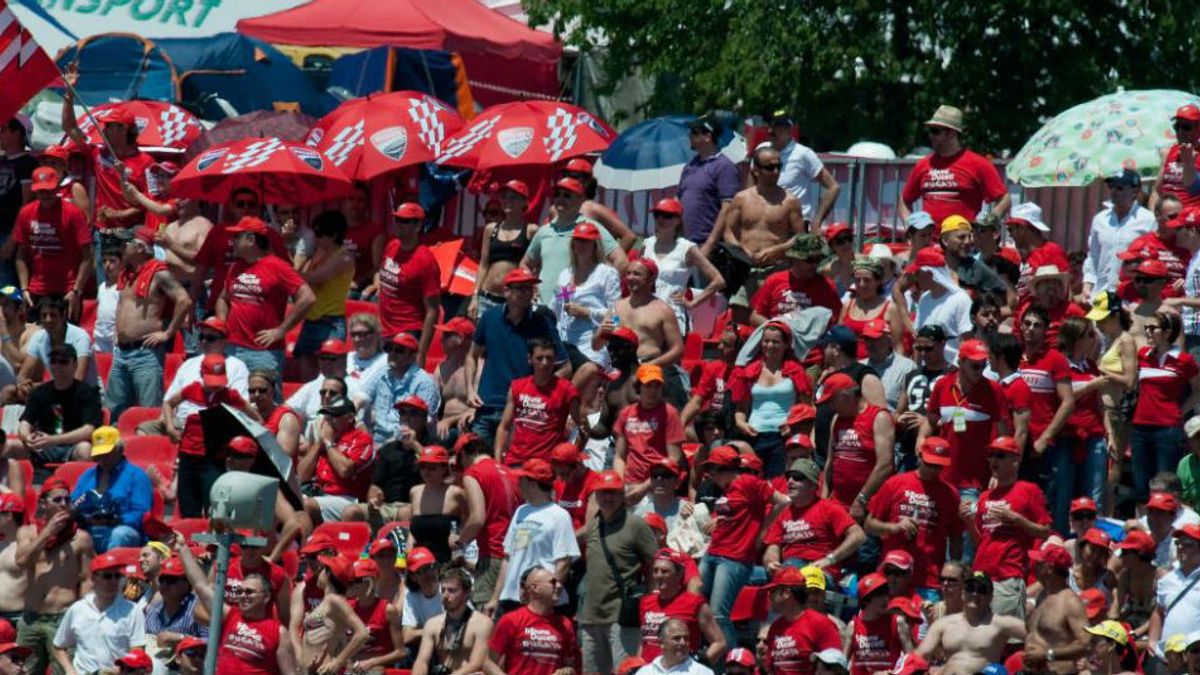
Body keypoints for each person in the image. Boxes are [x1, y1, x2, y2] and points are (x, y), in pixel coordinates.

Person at [466, 268, 570, 446]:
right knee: (477, 467)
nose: (527, 293)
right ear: (506, 291)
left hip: (521, 412)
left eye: (529, 288)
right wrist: (469, 389)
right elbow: (471, 356)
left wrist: (537, 393)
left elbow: (565, 368)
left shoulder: (541, 323)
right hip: (486, 406)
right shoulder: (490, 318)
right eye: (521, 288)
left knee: (512, 467)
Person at [700, 445, 790, 650]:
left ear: (725, 468)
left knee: (718, 614)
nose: (710, 475)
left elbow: (783, 501)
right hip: (713, 553)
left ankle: (732, 662)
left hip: (734, 558)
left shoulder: (749, 482)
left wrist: (763, 527)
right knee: (695, 603)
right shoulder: (727, 490)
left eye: (713, 470)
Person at [175, 540, 298, 674]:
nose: (243, 595)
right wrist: (182, 548)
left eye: (249, 592)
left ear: (266, 597)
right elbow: (200, 585)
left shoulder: (279, 633)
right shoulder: (230, 616)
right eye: (240, 591)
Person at [921, 340, 1010, 528]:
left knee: (969, 534)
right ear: (960, 362)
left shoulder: (993, 390)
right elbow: (931, 418)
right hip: (942, 476)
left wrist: (999, 470)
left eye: (983, 365)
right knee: (940, 531)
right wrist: (921, 442)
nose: (980, 370)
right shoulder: (942, 385)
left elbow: (1004, 436)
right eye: (975, 366)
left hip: (975, 479)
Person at [106, 227, 191, 419]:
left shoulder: (159, 272)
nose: (122, 247)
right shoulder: (127, 274)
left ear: (140, 248)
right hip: (121, 352)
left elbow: (184, 300)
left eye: (126, 243)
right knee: (113, 414)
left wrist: (168, 333)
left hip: (145, 353)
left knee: (148, 412)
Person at [216, 216, 316, 378]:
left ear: (250, 239)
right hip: (232, 348)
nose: (232, 241)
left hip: (263, 353)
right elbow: (223, 298)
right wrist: (222, 324)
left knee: (265, 400)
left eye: (236, 237)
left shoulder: (277, 266)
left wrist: (282, 330)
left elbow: (308, 297)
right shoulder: (235, 267)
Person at [579, 471, 658, 675]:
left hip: (621, 617)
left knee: (625, 672)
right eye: (603, 493)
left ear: (623, 495)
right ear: (595, 495)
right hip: (590, 617)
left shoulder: (636, 525)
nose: (608, 498)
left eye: (613, 493)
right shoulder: (594, 525)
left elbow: (656, 563)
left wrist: (649, 598)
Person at [965, 436, 1052, 619]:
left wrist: (1015, 518)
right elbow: (980, 542)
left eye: (1000, 455)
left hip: (1008, 577)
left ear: (1015, 460)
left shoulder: (1028, 490)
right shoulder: (985, 497)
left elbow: (1045, 531)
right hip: (980, 577)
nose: (993, 460)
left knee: (1005, 642)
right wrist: (968, 521)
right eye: (991, 455)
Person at [14, 476, 94, 675]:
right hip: (31, 618)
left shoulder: (80, 538)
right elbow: (22, 561)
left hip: (63, 617)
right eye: (57, 500)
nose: (63, 505)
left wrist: (83, 617)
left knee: (63, 671)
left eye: (67, 500)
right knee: (24, 671)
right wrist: (47, 533)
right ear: (43, 503)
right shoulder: (28, 532)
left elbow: (87, 579)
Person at [162, 353, 257, 517]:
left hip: (214, 459)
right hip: (188, 455)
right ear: (201, 375)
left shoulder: (230, 395)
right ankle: (190, 540)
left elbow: (255, 417)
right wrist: (170, 427)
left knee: (214, 505)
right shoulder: (191, 389)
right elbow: (168, 403)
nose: (215, 386)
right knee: (188, 504)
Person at [866, 437, 963, 596]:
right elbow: (869, 525)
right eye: (929, 463)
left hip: (928, 580)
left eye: (938, 466)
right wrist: (895, 527)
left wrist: (953, 574)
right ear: (919, 456)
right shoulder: (895, 483)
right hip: (891, 575)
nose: (933, 470)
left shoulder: (950, 494)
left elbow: (956, 538)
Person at [720, 146, 806, 316]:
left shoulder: (790, 201)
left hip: (776, 269)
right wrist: (742, 252)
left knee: (773, 317)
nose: (775, 172)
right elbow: (728, 232)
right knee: (739, 315)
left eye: (778, 167)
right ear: (756, 170)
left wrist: (777, 249)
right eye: (769, 167)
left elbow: (800, 237)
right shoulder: (741, 199)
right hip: (745, 270)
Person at [487, 459, 580, 615]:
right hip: (512, 597)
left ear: (533, 484)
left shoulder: (559, 516)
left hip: (541, 601)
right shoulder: (521, 511)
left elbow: (563, 562)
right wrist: (496, 597)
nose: (518, 484)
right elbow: (508, 558)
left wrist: (550, 597)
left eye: (521, 480)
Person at [899, 105, 1010, 232]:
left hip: (964, 244)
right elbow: (904, 199)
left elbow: (1004, 199)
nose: (930, 135)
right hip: (930, 246)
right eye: (929, 130)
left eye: (935, 131)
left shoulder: (978, 163)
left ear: (952, 132)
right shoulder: (923, 164)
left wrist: (983, 225)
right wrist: (910, 228)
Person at [1017, 305, 1077, 533]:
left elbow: (1068, 402)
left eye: (1037, 325)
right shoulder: (1014, 358)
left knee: (1047, 506)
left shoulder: (1056, 359)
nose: (1031, 329)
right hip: (1018, 444)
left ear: (1045, 330)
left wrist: (1045, 437)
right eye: (1027, 324)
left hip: (1046, 446)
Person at [523, 177, 627, 307]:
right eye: (558, 194)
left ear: (580, 200)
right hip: (543, 310)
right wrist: (530, 285)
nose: (560, 199)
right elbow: (525, 264)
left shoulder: (590, 227)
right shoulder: (544, 231)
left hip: (577, 314)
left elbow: (622, 262)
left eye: (567, 195)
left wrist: (593, 287)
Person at [1131, 311, 1200, 504]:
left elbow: (1197, 390)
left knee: (1165, 486)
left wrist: (1180, 411)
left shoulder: (1184, 359)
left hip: (1168, 428)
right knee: (1141, 486)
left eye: (1153, 328)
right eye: (1146, 328)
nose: (1148, 332)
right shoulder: (1143, 354)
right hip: (1140, 426)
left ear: (1168, 332)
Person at [729, 321, 813, 477]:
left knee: (778, 482)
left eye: (776, 342)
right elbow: (740, 410)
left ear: (786, 344)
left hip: (784, 437)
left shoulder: (796, 372)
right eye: (766, 341)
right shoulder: (750, 373)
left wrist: (792, 426)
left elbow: (807, 408)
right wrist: (742, 424)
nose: (770, 345)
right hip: (755, 436)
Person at [600, 258, 686, 406]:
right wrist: (600, 332)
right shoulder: (617, 308)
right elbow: (597, 344)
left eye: (637, 274)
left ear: (651, 278)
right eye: (628, 273)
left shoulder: (662, 310)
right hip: (623, 368)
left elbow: (678, 349)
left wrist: (652, 365)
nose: (631, 277)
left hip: (652, 366)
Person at [763, 457, 866, 576]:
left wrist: (830, 559)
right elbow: (773, 546)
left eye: (797, 477)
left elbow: (859, 536)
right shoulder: (783, 513)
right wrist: (771, 562)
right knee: (744, 574)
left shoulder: (828, 508)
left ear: (813, 486)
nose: (790, 481)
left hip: (819, 572)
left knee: (792, 568)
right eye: (789, 477)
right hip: (788, 568)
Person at [5, 343, 101, 466]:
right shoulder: (40, 392)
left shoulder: (87, 392)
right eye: (54, 361)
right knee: (9, 446)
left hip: (72, 446)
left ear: (75, 364)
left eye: (63, 361)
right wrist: (27, 438)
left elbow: (88, 430)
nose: (58, 366)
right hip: (41, 446)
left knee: (85, 450)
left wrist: (52, 440)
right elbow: (25, 423)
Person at [51, 552, 146, 675]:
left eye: (117, 576)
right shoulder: (78, 609)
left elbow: (137, 650)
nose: (113, 581)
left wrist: (122, 670)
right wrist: (70, 670)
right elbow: (58, 646)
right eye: (107, 576)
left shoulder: (132, 611)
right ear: (94, 578)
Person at [12, 166, 92, 312]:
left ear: (56, 189)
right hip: (36, 289)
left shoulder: (72, 213)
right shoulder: (26, 213)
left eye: (49, 190)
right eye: (41, 191)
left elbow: (87, 256)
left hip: (67, 289)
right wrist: (24, 288)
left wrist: (76, 290)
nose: (45, 195)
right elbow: (21, 254)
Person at [641, 197, 725, 333]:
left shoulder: (686, 248)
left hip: (673, 317)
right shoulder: (647, 244)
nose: (660, 219)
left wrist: (693, 303)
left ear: (678, 220)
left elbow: (718, 281)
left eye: (667, 216)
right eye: (657, 215)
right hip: (646, 314)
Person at [916, 571, 1026, 674]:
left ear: (991, 596)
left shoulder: (1001, 624)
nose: (975, 593)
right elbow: (920, 656)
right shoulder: (943, 624)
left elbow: (1037, 637)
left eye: (981, 590)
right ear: (963, 592)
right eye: (970, 588)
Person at [458, 433, 521, 610]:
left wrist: (459, 542)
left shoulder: (473, 474)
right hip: (515, 553)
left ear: (464, 455)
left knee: (485, 613)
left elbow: (477, 518)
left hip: (492, 552)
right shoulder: (510, 472)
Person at [821, 373, 895, 518]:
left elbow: (885, 465)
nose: (830, 407)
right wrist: (824, 497)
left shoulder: (879, 417)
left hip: (869, 505)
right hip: (838, 505)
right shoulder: (837, 419)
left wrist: (861, 499)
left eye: (832, 401)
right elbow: (830, 462)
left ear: (846, 397)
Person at [293, 210, 355, 381]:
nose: (316, 239)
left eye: (320, 235)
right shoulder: (319, 253)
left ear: (334, 235)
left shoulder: (344, 257)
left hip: (331, 322)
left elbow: (316, 278)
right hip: (311, 319)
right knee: (306, 379)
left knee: (330, 377)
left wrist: (290, 273)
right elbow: (304, 278)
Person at [377, 202, 440, 366]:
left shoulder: (425, 261)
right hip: (384, 330)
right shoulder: (392, 246)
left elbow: (432, 310)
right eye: (396, 220)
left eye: (404, 221)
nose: (398, 225)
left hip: (408, 332)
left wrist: (421, 352)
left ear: (417, 226)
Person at [70, 427, 151, 553]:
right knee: (75, 535)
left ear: (119, 450)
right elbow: (74, 503)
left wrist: (116, 519)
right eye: (99, 455)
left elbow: (141, 512)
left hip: (123, 527)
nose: (102, 459)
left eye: (107, 454)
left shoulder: (136, 475)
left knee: (119, 534)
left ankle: (110, 570)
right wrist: (84, 515)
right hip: (90, 527)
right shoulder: (87, 476)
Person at [486, 566, 580, 675]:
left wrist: (568, 671)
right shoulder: (511, 620)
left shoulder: (565, 624)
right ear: (535, 588)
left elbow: (571, 664)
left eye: (558, 582)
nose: (559, 586)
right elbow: (488, 662)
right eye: (552, 582)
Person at [638, 548, 724, 664]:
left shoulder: (694, 603)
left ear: (679, 574)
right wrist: (638, 665)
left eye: (664, 571)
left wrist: (699, 667)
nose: (658, 575)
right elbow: (645, 642)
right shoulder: (646, 602)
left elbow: (719, 642)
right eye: (655, 570)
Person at [614, 365, 686, 502]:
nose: (653, 390)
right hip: (629, 485)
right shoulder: (626, 413)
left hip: (658, 486)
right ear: (639, 387)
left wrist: (645, 487)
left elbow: (674, 458)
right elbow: (619, 456)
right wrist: (620, 485)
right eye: (648, 385)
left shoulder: (669, 413)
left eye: (657, 386)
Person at [299, 396, 376, 525]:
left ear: (350, 418)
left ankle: (308, 543)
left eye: (333, 416)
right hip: (320, 494)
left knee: (306, 505)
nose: (328, 421)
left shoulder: (361, 439)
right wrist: (319, 444)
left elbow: (345, 470)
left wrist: (329, 444)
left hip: (348, 499)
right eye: (327, 416)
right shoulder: (325, 439)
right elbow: (302, 476)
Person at [469, 180, 539, 320]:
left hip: (514, 301)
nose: (507, 201)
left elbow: (536, 266)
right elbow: (483, 265)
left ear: (524, 202)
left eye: (513, 197)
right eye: (504, 197)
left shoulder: (531, 230)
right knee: (483, 340)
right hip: (486, 297)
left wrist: (533, 293)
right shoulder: (491, 229)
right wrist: (475, 296)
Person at [1083, 169, 1158, 297]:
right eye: (1111, 187)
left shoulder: (1148, 220)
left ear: (1134, 191)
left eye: (1120, 188)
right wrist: (1088, 285)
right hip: (1101, 294)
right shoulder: (1100, 219)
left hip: (1131, 295)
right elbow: (1094, 256)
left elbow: (1153, 258)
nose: (1113, 192)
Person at [411, 565, 493, 675]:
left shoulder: (482, 624)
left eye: (451, 591)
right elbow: (422, 661)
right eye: (443, 590)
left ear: (466, 593)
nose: (445, 595)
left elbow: (477, 664)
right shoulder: (432, 624)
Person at [761, 566, 842, 675]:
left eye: (772, 591)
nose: (769, 596)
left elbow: (835, 668)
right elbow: (770, 668)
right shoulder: (775, 627)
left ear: (786, 593)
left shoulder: (822, 624)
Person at [1024, 544, 1091, 674]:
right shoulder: (1042, 596)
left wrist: (1048, 655)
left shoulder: (1070, 601)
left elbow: (1086, 644)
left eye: (1038, 563)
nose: (1034, 566)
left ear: (1049, 568)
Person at [366, 333, 440, 447]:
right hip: (377, 441)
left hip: (407, 444)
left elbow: (423, 424)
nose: (392, 354)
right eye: (390, 349)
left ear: (412, 356)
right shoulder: (382, 373)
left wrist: (386, 446)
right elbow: (361, 397)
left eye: (399, 350)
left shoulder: (424, 383)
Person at [749, 234, 843, 324]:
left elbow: (837, 318)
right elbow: (755, 317)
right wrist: (778, 328)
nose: (815, 265)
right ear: (795, 259)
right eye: (809, 260)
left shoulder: (827, 286)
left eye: (818, 260)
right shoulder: (774, 280)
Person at [767, 111, 841, 225]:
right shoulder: (762, 151)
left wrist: (817, 221)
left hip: (795, 224)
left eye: (779, 127)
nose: (774, 131)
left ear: (789, 130)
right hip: (766, 221)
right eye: (772, 126)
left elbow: (833, 187)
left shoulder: (803, 153)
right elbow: (751, 187)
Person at [679, 116, 740, 247]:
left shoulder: (724, 166)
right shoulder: (689, 166)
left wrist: (709, 244)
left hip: (709, 244)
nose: (690, 136)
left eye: (695, 132)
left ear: (707, 136)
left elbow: (727, 209)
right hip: (686, 244)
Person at [19, 294, 97, 386]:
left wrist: (41, 388)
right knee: (9, 391)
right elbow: (23, 375)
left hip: (83, 394)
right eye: (44, 315)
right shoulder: (39, 337)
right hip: (56, 390)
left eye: (53, 315)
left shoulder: (80, 337)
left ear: (63, 315)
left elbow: (78, 380)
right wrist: (24, 386)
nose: (48, 320)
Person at [408, 446, 468, 562]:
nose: (426, 472)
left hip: (448, 560)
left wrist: (460, 536)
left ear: (443, 468)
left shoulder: (456, 493)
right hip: (420, 564)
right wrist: (408, 550)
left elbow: (469, 522)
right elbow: (413, 527)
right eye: (423, 467)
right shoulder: (414, 492)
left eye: (432, 468)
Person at [908, 246, 973, 352]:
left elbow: (967, 339)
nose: (915, 278)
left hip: (952, 366)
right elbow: (919, 339)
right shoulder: (924, 299)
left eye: (917, 273)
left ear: (930, 274)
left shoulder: (961, 299)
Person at [1150, 524, 1200, 658]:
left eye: (1188, 544)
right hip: (1167, 656)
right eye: (1178, 543)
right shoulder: (1167, 579)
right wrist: (1152, 641)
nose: (1180, 547)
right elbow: (1158, 611)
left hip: (1195, 657)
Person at [841, 259, 908, 359]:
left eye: (867, 280)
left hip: (878, 367)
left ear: (878, 281)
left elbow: (897, 345)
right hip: (849, 367)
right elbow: (839, 339)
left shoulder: (890, 308)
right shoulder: (847, 306)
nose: (861, 284)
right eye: (857, 280)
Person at [940, 216, 1011, 304]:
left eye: (969, 236)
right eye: (961, 237)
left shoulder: (977, 268)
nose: (968, 242)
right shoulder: (933, 265)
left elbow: (1007, 295)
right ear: (945, 241)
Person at [849, 572, 909, 675]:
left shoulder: (898, 623)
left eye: (886, 592)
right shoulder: (853, 626)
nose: (885, 598)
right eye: (879, 593)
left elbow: (912, 662)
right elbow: (839, 666)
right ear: (865, 601)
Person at [861, 318, 918, 410]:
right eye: (867, 339)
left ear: (888, 340)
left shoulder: (907, 367)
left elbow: (914, 404)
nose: (870, 344)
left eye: (875, 339)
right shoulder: (859, 367)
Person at [1153, 104, 1200, 209]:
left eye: (1186, 127)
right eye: (1177, 126)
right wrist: (1153, 218)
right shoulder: (1168, 152)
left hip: (1191, 219)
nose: (1180, 132)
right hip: (1166, 217)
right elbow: (1157, 191)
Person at [636, 617, 715, 675]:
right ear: (661, 643)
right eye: (676, 638)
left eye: (686, 638)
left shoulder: (702, 672)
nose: (683, 642)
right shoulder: (645, 672)